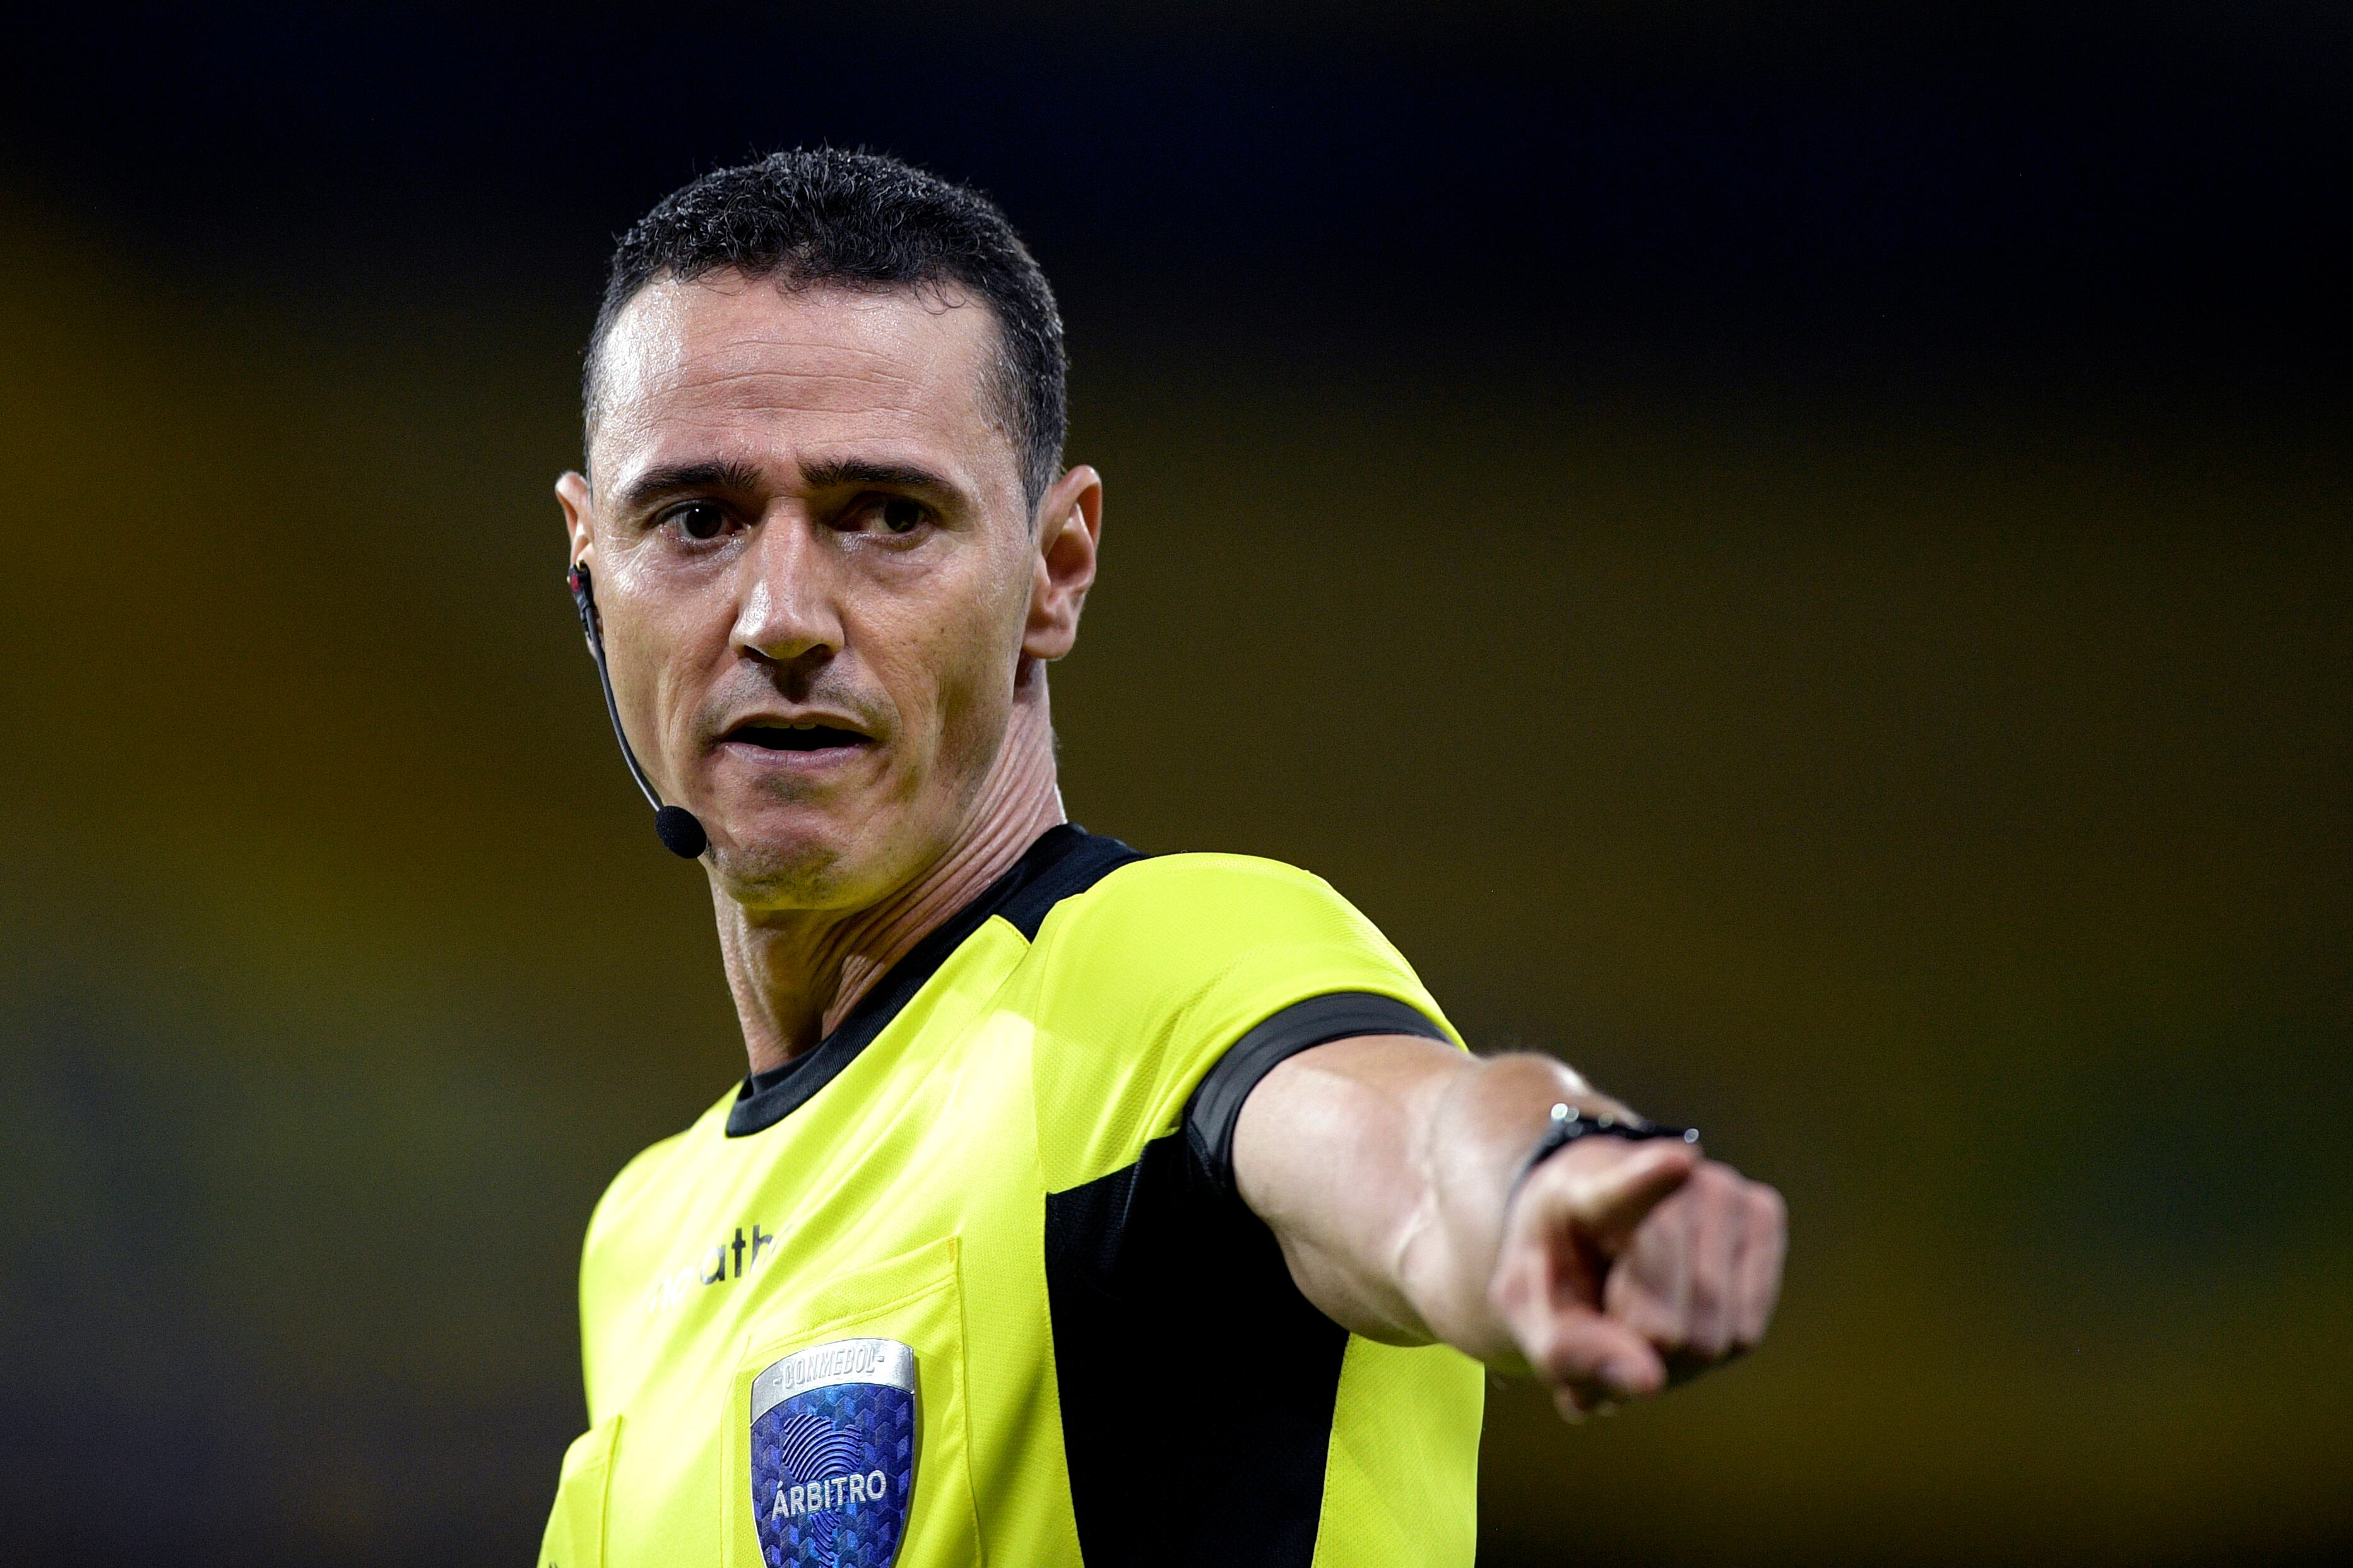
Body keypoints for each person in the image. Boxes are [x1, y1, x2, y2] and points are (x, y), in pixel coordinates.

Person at [538, 147, 1785, 1568]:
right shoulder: (641, 1237)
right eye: (695, 519)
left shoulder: (1160, 975)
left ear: (1056, 568)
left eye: (886, 516)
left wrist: (1541, 1186)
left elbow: (1408, 1143)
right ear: (588, 566)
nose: (780, 616)